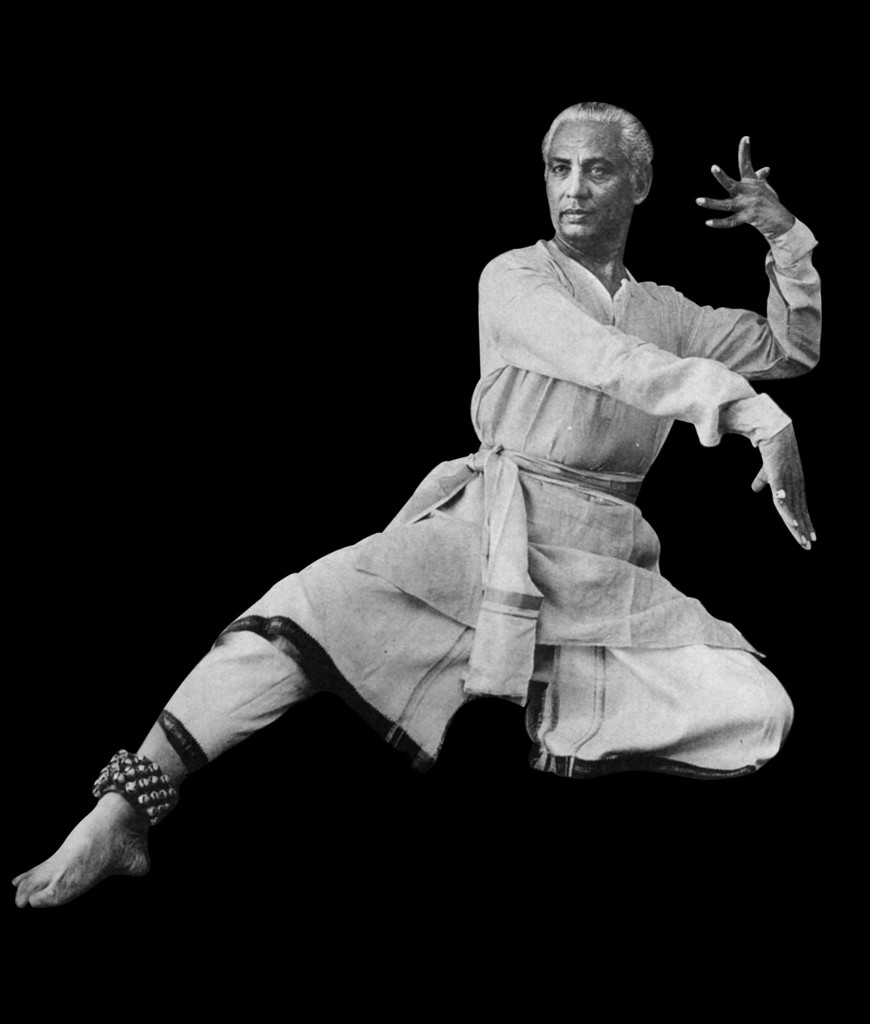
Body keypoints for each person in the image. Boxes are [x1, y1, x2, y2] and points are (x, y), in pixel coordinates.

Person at [12, 101, 820, 909]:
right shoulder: (514, 279)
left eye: (598, 170)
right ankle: (118, 818)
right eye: (558, 168)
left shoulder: (668, 314)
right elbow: (604, 359)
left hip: (606, 561)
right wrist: (751, 415)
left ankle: (558, 717)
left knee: (760, 711)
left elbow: (791, 347)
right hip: (492, 529)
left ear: (639, 183)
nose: (573, 189)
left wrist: (784, 237)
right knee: (306, 605)